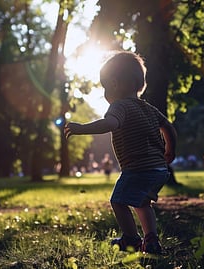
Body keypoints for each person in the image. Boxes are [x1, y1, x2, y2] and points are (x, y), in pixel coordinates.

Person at [64, 51, 177, 254]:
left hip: (138, 168)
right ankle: (151, 240)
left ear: (114, 84)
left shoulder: (120, 106)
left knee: (118, 201)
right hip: (159, 169)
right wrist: (170, 149)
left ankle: (131, 239)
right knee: (143, 203)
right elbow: (168, 126)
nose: (105, 93)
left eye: (105, 88)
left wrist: (81, 128)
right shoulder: (149, 108)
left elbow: (110, 123)